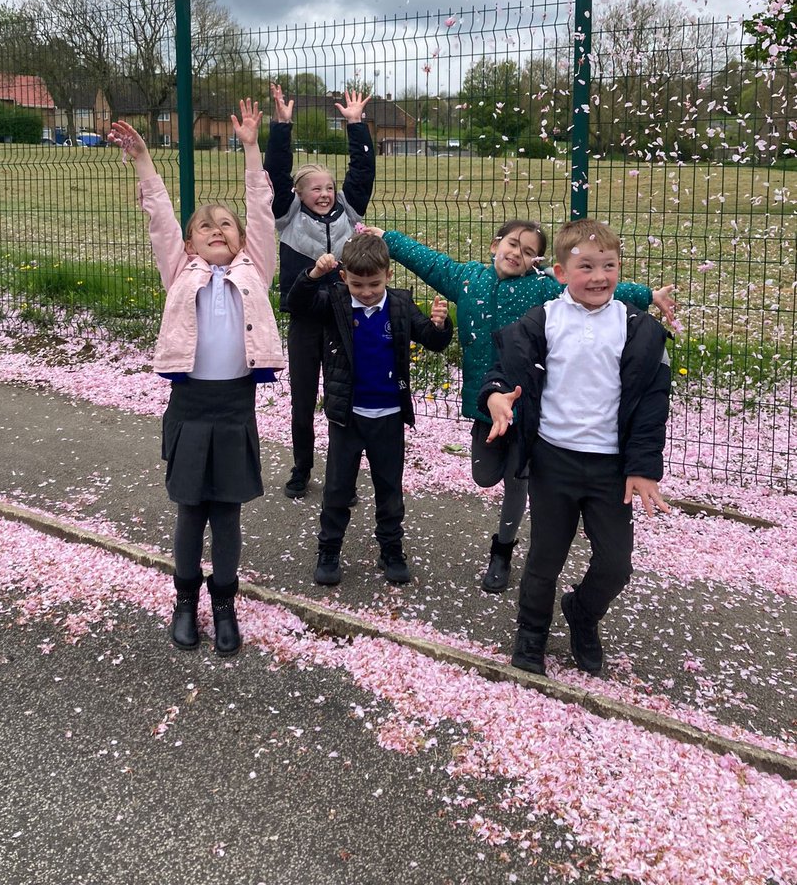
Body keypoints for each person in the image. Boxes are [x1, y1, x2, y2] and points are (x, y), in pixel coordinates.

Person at [367, 221, 675, 594]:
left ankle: (503, 550)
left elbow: (596, 284)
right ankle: (508, 508)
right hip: (486, 406)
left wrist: (647, 294)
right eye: (513, 244)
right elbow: (428, 261)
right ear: (496, 244)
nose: (517, 253)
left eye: (529, 251)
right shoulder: (465, 278)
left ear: (538, 262)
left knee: (517, 483)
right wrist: (388, 239)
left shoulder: (541, 288)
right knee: (484, 476)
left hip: (527, 410)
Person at [108, 102, 284, 657]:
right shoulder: (179, 269)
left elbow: (260, 210)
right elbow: (160, 215)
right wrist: (142, 161)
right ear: (189, 244)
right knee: (190, 510)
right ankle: (185, 600)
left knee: (227, 511)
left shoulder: (256, 266)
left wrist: (252, 148)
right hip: (189, 405)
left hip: (235, 405)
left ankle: (225, 601)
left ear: (238, 241)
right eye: (204, 227)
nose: (215, 231)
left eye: (223, 226)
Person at [478, 218, 672, 678]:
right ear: (562, 273)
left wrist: (642, 467)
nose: (600, 276)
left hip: (610, 468)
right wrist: (495, 395)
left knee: (616, 563)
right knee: (546, 557)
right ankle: (531, 634)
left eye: (609, 265)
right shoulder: (545, 318)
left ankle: (582, 612)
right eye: (586, 266)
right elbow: (505, 368)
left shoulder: (636, 327)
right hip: (554, 461)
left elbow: (651, 403)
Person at [286, 232, 453, 586]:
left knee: (389, 490)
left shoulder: (400, 305)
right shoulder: (334, 302)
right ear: (344, 277)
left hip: (389, 417)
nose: (366, 291)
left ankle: (391, 550)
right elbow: (297, 304)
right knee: (337, 489)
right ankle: (329, 550)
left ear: (388, 276)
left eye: (374, 283)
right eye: (358, 284)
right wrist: (313, 275)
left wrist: (440, 325)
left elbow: (432, 341)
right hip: (348, 417)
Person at [264, 83, 376, 499]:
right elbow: (274, 174)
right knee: (303, 402)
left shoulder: (349, 211)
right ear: (299, 193)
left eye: (329, 188)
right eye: (317, 188)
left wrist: (356, 126)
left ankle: (341, 477)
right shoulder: (286, 215)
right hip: (306, 324)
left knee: (342, 402)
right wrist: (281, 126)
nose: (326, 194)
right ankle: (301, 469)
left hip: (343, 323)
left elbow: (362, 174)